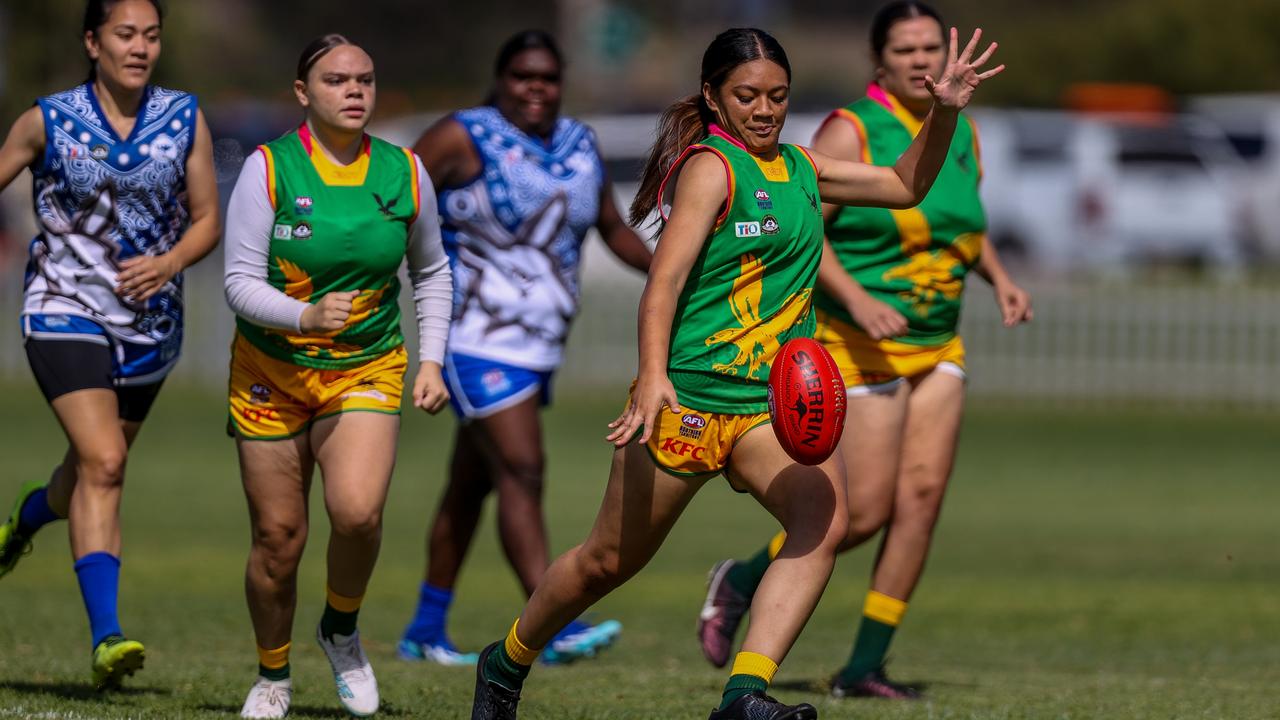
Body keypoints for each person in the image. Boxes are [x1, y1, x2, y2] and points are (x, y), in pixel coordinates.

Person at [471, 24, 1003, 720]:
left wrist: (946, 110)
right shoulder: (710, 169)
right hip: (688, 398)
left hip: (766, 408)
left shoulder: (804, 168)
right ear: (714, 98)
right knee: (607, 562)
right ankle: (506, 660)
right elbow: (662, 284)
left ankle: (745, 694)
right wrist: (653, 377)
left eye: (777, 96)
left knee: (822, 522)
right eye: (747, 95)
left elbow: (906, 185)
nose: (764, 109)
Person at [696, 1, 1033, 701]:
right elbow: (799, 230)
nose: (920, 59)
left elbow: (961, 223)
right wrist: (857, 298)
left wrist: (999, 277)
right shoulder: (851, 130)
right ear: (880, 61)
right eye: (905, 49)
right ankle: (743, 580)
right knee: (867, 510)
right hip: (856, 345)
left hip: (938, 341)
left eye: (930, 47)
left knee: (923, 501)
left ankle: (864, 666)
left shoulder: (958, 127)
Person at [397, 30, 651, 667]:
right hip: (471, 338)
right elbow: (395, 200)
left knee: (470, 485)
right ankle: (553, 622)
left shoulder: (579, 144)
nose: (535, 89)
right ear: (501, 79)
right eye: (522, 77)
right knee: (523, 467)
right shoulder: (464, 135)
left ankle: (424, 630)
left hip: (539, 346)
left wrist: (672, 272)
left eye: (547, 78)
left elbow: (612, 228)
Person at [222, 34, 452, 719]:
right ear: (303, 92)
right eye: (336, 80)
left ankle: (342, 630)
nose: (354, 91)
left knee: (356, 512)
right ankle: (272, 674)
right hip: (271, 371)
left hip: (367, 367)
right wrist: (305, 314)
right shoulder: (269, 170)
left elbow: (432, 271)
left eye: (365, 79)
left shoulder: (405, 172)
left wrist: (432, 357)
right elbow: (236, 282)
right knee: (277, 540)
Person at [0, 0, 219, 690]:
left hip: (151, 325)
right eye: (126, 34)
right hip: (62, 309)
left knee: (92, 473)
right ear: (93, 42)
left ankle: (24, 519)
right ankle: (107, 638)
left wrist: (169, 262)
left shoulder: (185, 116)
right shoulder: (47, 119)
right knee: (106, 460)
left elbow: (208, 218)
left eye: (152, 36)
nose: (140, 48)